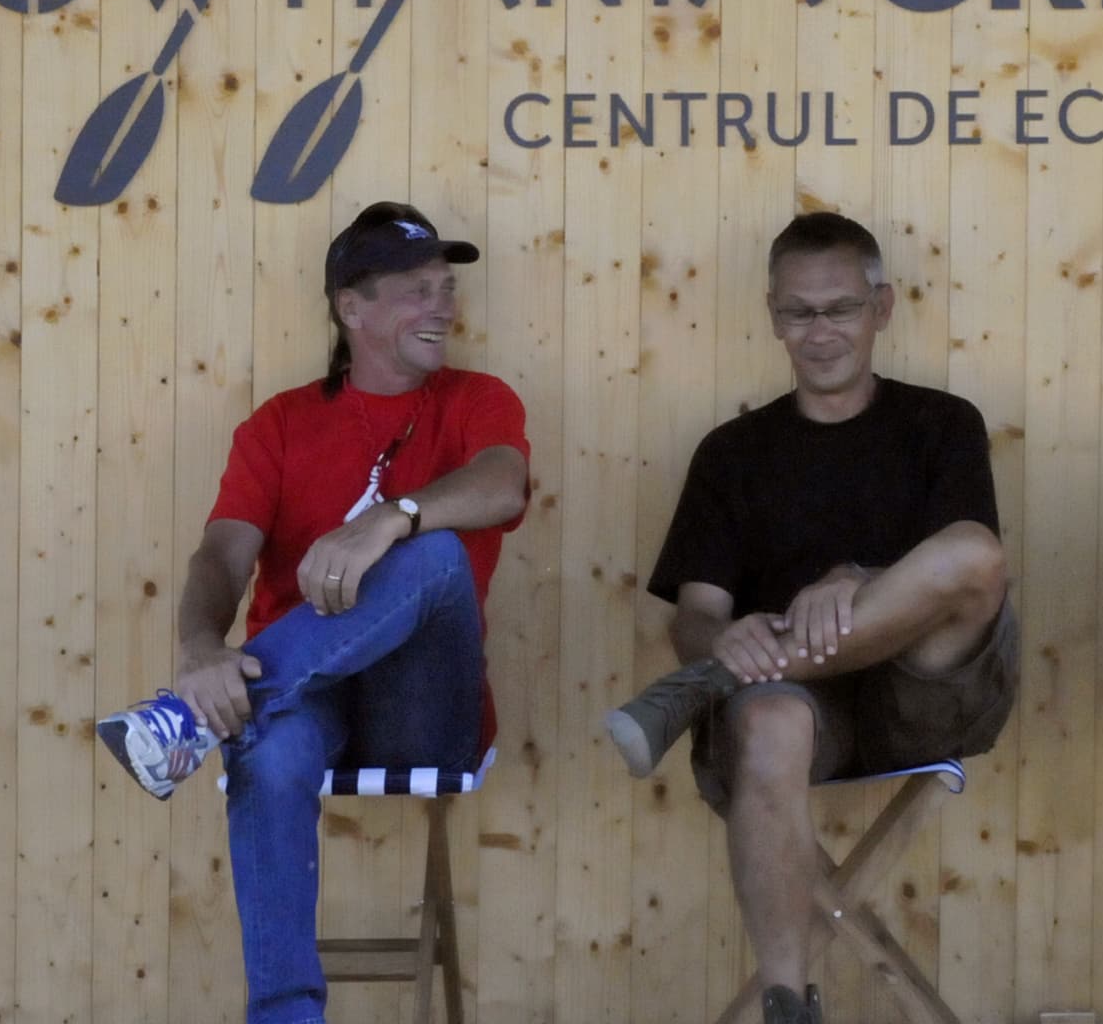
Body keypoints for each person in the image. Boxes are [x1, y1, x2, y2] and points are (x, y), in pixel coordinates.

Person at [95, 201, 530, 1024]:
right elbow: (221, 555)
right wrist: (200, 647)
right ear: (351, 307)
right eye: (416, 289)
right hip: (304, 699)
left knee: (434, 555)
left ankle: (186, 724)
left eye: (446, 287)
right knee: (267, 752)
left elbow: (504, 486)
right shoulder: (281, 423)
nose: (441, 305)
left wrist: (391, 517)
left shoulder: (479, 399)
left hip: (422, 709)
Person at [605, 212, 1016, 1024]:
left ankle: (706, 687)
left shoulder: (942, 424)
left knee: (974, 552)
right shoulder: (731, 453)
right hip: (797, 710)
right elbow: (694, 616)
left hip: (925, 692)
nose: (820, 331)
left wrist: (855, 582)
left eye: (840, 308)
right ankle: (788, 1003)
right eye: (799, 312)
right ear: (772, 316)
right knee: (768, 720)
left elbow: (971, 574)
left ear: (881, 308)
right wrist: (721, 640)